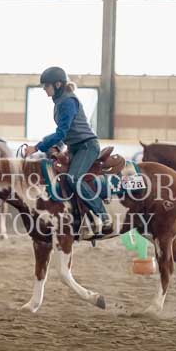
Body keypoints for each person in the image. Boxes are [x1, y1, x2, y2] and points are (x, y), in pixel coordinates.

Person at [23, 66, 112, 235]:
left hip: (86, 146)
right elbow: (65, 133)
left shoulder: (67, 102)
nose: (44, 89)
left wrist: (37, 147)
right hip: (75, 147)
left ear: (57, 85)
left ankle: (103, 214)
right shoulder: (60, 101)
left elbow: (61, 133)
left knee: (74, 178)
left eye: (46, 86)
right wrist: (58, 148)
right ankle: (75, 216)